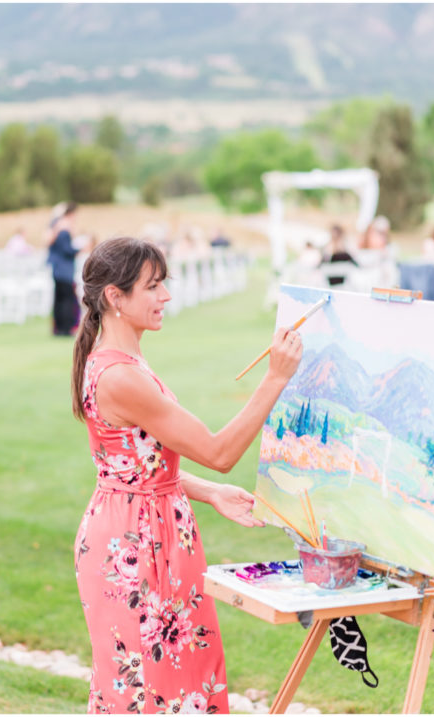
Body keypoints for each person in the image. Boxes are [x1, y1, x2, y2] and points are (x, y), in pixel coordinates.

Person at [70, 236, 303, 713]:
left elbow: (132, 468)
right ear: (115, 297)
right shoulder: (121, 377)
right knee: (150, 691)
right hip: (135, 549)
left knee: (170, 681)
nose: (166, 297)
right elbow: (218, 451)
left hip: (144, 532)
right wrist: (276, 377)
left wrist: (209, 492)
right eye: (153, 287)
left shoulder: (117, 360)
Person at [48, 202, 82, 336]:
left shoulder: (55, 227)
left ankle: (59, 328)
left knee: (59, 299)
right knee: (66, 299)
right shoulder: (63, 230)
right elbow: (66, 250)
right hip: (64, 269)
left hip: (58, 268)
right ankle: (65, 328)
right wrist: (79, 249)